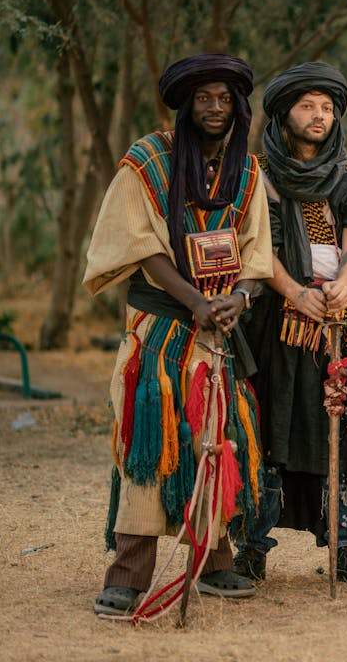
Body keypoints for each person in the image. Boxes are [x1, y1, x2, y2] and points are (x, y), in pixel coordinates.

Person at [84, 53, 273, 616]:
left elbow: (256, 253)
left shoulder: (249, 171)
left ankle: (215, 562)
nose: (214, 109)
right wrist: (194, 302)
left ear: (237, 107)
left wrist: (237, 298)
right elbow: (138, 246)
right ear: (186, 104)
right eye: (203, 98)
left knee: (216, 439)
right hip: (160, 329)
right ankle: (128, 574)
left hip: (218, 329)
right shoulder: (148, 160)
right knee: (152, 438)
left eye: (224, 99)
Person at [229, 62, 347, 585]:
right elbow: (258, 244)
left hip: (336, 324)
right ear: (282, 114)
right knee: (267, 428)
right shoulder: (255, 175)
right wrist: (294, 292)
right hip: (273, 324)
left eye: (327, 108)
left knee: (344, 430)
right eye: (307, 106)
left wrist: (344, 286)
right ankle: (251, 547)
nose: (319, 116)